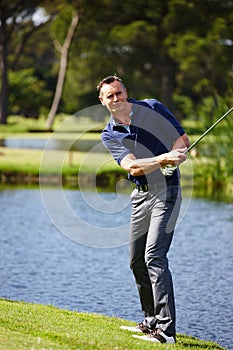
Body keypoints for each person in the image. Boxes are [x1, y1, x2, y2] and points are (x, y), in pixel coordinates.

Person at [97, 75, 190, 344]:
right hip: (141, 195)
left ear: (126, 92)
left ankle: (166, 331)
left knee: (154, 257)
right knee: (136, 260)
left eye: (119, 93)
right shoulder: (110, 133)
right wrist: (162, 159)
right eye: (110, 96)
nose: (116, 99)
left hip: (167, 192)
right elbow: (132, 167)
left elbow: (181, 140)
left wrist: (176, 156)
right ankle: (150, 320)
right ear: (102, 101)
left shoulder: (152, 108)